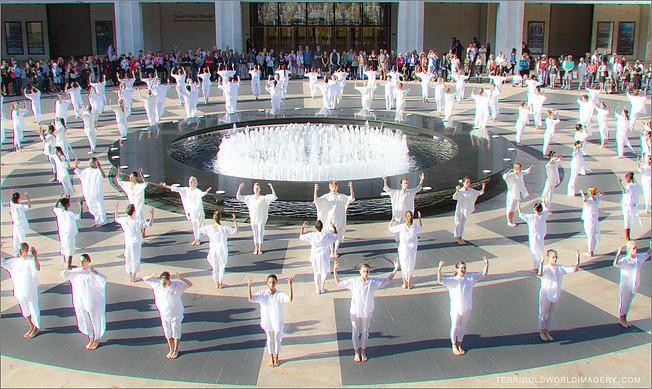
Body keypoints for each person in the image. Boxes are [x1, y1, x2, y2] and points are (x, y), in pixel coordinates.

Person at [334, 259, 399, 362]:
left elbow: (387, 279)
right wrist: (335, 271)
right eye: (364, 271)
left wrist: (395, 269)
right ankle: (356, 352)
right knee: (355, 330)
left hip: (367, 310)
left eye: (367, 271)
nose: (366, 273)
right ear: (360, 271)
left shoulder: (373, 282)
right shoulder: (353, 282)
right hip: (355, 310)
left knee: (365, 331)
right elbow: (338, 282)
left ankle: (363, 352)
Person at [437, 256, 489, 356]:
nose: (463, 270)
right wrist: (439, 269)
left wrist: (486, 264)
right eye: (461, 268)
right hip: (456, 308)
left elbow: (483, 274)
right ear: (456, 269)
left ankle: (460, 344)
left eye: (465, 268)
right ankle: (454, 345)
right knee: (455, 326)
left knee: (463, 326)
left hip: (467, 306)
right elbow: (440, 280)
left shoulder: (470, 278)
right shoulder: (453, 280)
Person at [61, 253, 107, 350]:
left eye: (84, 261)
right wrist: (67, 265)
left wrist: (95, 273)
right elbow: (65, 274)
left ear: (88, 261)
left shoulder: (92, 272)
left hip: (91, 299)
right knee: (83, 317)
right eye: (81, 261)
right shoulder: (78, 271)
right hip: (80, 299)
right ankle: (90, 336)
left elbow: (103, 280)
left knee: (94, 318)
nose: (82, 263)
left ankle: (97, 338)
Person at [143, 271, 193, 359]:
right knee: (167, 332)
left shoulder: (176, 285)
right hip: (164, 314)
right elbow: (145, 279)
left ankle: (176, 350)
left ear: (169, 280)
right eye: (162, 281)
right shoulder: (157, 284)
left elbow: (190, 284)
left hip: (175, 313)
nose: (164, 283)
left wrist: (180, 278)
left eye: (165, 281)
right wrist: (151, 275)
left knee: (176, 331)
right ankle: (171, 348)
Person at [248, 274, 294, 367]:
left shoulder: (280, 294)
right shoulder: (262, 294)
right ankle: (271, 357)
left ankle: (276, 356)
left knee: (277, 338)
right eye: (270, 282)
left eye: (273, 282)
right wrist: (249, 286)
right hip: (267, 320)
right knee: (269, 338)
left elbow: (290, 298)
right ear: (267, 283)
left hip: (277, 320)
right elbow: (251, 298)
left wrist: (290, 285)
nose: (272, 284)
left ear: (276, 283)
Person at [537, 249, 580, 341]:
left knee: (550, 314)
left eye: (556, 257)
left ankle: (547, 330)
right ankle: (541, 331)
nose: (555, 259)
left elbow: (574, 269)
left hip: (555, 294)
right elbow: (540, 273)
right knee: (542, 313)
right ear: (548, 258)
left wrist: (577, 260)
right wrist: (541, 263)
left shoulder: (560, 268)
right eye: (553, 257)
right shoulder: (546, 268)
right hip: (545, 294)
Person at [1, 242, 41, 339]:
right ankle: (31, 326)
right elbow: (2, 262)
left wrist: (35, 256)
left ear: (26, 250)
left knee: (33, 309)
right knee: (24, 309)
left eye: (21, 249)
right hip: (20, 291)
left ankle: (36, 328)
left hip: (30, 290)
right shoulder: (15, 261)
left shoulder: (31, 260)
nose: (19, 251)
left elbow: (37, 268)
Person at [160, 177, 211, 246]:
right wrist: (165, 186)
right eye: (189, 181)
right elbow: (177, 189)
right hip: (192, 211)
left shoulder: (197, 191)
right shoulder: (186, 190)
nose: (190, 183)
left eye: (191, 182)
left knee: (199, 225)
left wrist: (206, 192)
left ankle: (198, 239)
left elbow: (202, 194)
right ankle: (196, 238)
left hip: (198, 211)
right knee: (194, 225)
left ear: (195, 183)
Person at [613, 241, 650, 328]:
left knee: (629, 302)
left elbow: (648, 253)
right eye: (634, 248)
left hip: (634, 284)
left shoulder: (639, 257)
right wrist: (618, 255)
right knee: (623, 302)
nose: (636, 249)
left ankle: (625, 319)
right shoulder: (625, 260)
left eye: (636, 247)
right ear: (629, 250)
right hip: (625, 285)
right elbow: (616, 264)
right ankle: (622, 319)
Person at [313, 181, 355, 258]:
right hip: (329, 220)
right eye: (333, 187)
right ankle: (331, 251)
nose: (334, 189)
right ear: (330, 187)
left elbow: (351, 198)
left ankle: (335, 250)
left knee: (338, 236)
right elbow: (316, 200)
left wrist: (351, 188)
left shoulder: (341, 196)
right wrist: (315, 190)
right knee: (329, 236)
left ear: (337, 187)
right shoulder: (326, 197)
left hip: (338, 219)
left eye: (335, 187)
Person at [114, 203, 154, 282]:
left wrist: (116, 209)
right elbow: (149, 224)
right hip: (135, 242)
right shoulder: (137, 221)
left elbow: (116, 218)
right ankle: (134, 277)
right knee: (135, 259)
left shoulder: (124, 220)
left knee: (128, 258)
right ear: (134, 212)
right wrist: (152, 215)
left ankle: (130, 277)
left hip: (128, 242)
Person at [198, 211, 238, 289]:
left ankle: (217, 283)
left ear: (213, 218)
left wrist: (201, 219)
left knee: (215, 267)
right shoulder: (223, 228)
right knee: (221, 266)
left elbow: (199, 229)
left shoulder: (209, 228)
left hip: (213, 249)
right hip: (221, 249)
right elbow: (235, 231)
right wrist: (235, 221)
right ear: (221, 218)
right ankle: (221, 283)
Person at [236, 182, 277, 255]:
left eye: (257, 188)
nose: (256, 190)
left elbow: (274, 197)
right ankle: (256, 248)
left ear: (260, 189)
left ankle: (260, 249)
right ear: (253, 189)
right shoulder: (250, 198)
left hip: (261, 219)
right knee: (255, 233)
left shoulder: (263, 198)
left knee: (260, 233)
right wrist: (239, 188)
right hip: (253, 218)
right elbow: (238, 197)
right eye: (255, 188)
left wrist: (271, 188)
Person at [388, 210, 423, 289]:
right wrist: (392, 221)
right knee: (404, 264)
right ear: (405, 217)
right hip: (404, 247)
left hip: (412, 247)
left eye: (410, 216)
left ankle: (409, 283)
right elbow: (391, 229)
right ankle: (405, 283)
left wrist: (420, 218)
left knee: (411, 263)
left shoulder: (415, 226)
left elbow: (420, 227)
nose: (409, 217)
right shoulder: (402, 226)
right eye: (407, 216)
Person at [73, 158, 107, 227]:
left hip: (97, 193)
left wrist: (99, 167)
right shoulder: (86, 171)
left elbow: (103, 176)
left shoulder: (98, 171)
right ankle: (97, 221)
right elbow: (78, 172)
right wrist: (76, 165)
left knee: (99, 207)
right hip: (88, 194)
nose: (94, 164)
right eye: (92, 162)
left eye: (95, 162)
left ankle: (103, 221)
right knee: (92, 208)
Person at [452, 178, 486, 245]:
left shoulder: (471, 190)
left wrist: (483, 187)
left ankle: (460, 237)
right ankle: (458, 237)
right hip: (460, 209)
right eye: (467, 182)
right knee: (457, 223)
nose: (468, 183)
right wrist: (457, 190)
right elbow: (454, 197)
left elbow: (479, 193)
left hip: (466, 210)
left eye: (469, 182)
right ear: (463, 183)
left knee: (462, 224)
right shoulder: (461, 191)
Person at [518, 201, 549, 271]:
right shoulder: (544, 215)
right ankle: (541, 265)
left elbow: (520, 213)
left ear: (534, 209)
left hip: (533, 238)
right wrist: (544, 202)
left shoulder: (531, 217)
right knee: (540, 250)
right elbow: (546, 208)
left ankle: (536, 267)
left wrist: (518, 204)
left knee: (534, 251)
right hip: (541, 237)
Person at [53, 197, 82, 270]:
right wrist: (81, 206)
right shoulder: (70, 213)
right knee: (70, 248)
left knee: (64, 247)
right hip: (69, 233)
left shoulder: (59, 211)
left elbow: (54, 207)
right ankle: (69, 265)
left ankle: (66, 262)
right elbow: (80, 216)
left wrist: (58, 200)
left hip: (62, 232)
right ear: (67, 205)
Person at [503, 162, 533, 226]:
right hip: (512, 194)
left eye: (519, 168)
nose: (519, 169)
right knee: (510, 207)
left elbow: (526, 171)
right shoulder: (511, 175)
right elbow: (505, 177)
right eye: (517, 168)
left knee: (513, 208)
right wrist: (510, 171)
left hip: (517, 193)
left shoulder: (520, 173)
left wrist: (530, 168)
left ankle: (510, 221)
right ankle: (509, 221)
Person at [580, 186, 603, 257]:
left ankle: (590, 251)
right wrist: (597, 191)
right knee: (593, 235)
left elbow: (585, 200)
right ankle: (591, 250)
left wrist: (582, 194)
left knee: (590, 236)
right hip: (594, 219)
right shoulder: (597, 199)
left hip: (589, 220)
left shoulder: (590, 201)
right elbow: (602, 194)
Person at [617, 172, 641, 241]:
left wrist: (620, 183)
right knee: (629, 221)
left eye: (626, 179)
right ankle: (628, 236)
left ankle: (627, 237)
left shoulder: (629, 186)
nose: (626, 181)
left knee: (627, 221)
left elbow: (624, 191)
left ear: (628, 178)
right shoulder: (637, 185)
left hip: (627, 206)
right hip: (633, 205)